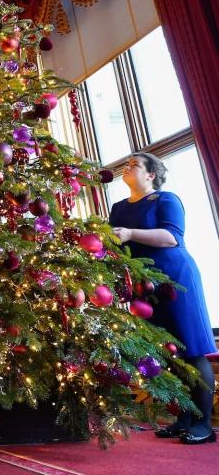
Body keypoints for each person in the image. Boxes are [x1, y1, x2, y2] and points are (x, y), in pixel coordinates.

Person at [109, 153, 216, 445]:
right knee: (166, 352)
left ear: (151, 174)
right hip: (144, 287)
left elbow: (171, 238)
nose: (127, 168)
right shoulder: (118, 208)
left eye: (135, 165)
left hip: (175, 280)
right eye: (126, 164)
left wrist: (130, 233)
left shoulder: (166, 200)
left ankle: (204, 425)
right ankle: (183, 418)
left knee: (191, 349)